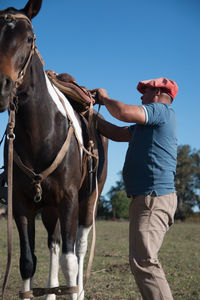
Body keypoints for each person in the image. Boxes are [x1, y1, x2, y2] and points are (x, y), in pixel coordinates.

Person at [95, 77, 178, 300]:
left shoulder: (161, 111)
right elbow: (117, 133)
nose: (141, 96)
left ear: (160, 93)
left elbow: (122, 112)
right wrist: (91, 115)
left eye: (146, 91)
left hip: (153, 199)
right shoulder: (147, 126)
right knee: (141, 262)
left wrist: (104, 98)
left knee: (145, 262)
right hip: (148, 199)